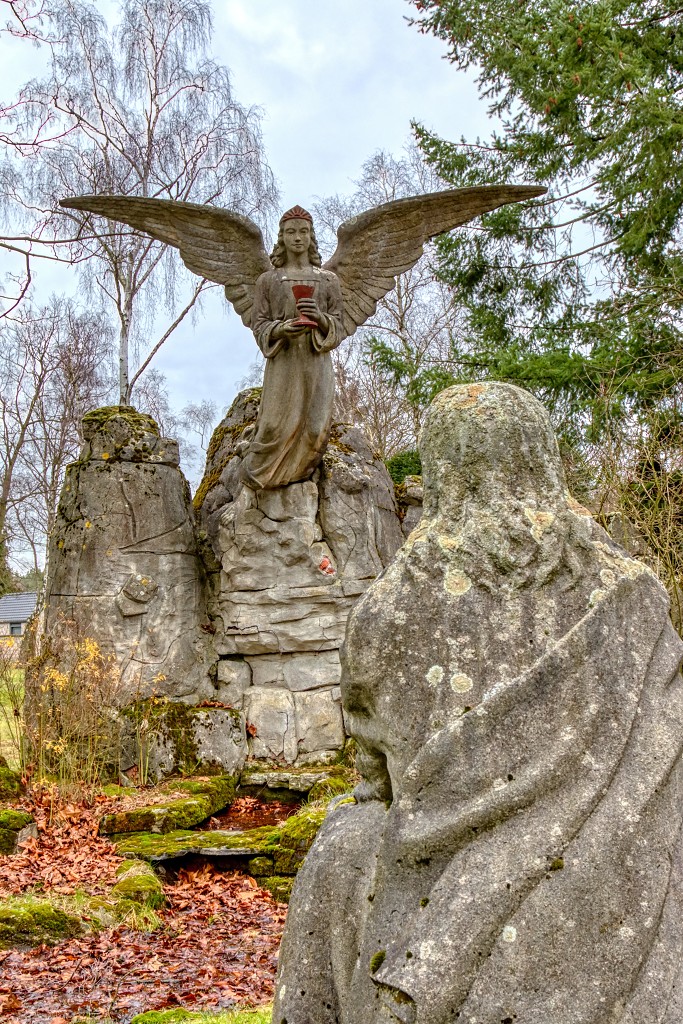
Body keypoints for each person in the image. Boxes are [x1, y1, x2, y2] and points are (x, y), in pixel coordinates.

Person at [274, 382, 683, 1024]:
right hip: (624, 880)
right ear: (544, 459)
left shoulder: (389, 612)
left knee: (345, 841)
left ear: (441, 473)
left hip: (444, 893)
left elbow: (376, 784)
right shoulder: (631, 592)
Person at [241, 206, 344, 490]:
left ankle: (297, 484)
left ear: (311, 237)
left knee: (314, 432)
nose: (297, 238)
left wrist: (320, 318)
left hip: (316, 363)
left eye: (303, 232)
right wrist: (280, 329)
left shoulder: (328, 280)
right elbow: (259, 324)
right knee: (273, 428)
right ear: (281, 238)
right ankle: (260, 482)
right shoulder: (268, 281)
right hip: (283, 364)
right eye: (291, 232)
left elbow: (340, 324)